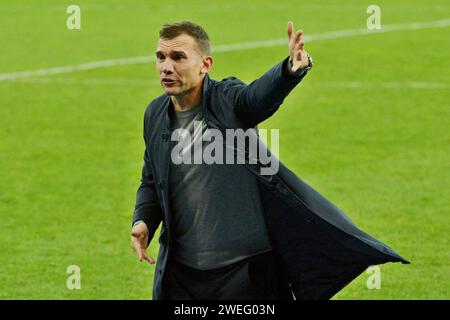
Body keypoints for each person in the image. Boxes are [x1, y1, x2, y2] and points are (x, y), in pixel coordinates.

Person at [131, 21, 408, 300]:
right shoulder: (155, 114)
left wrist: (289, 70)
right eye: (161, 57)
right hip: (182, 275)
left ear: (205, 65)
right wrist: (143, 220)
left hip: (245, 274)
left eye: (178, 57)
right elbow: (152, 179)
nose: (167, 67)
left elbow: (256, 97)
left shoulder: (227, 101)